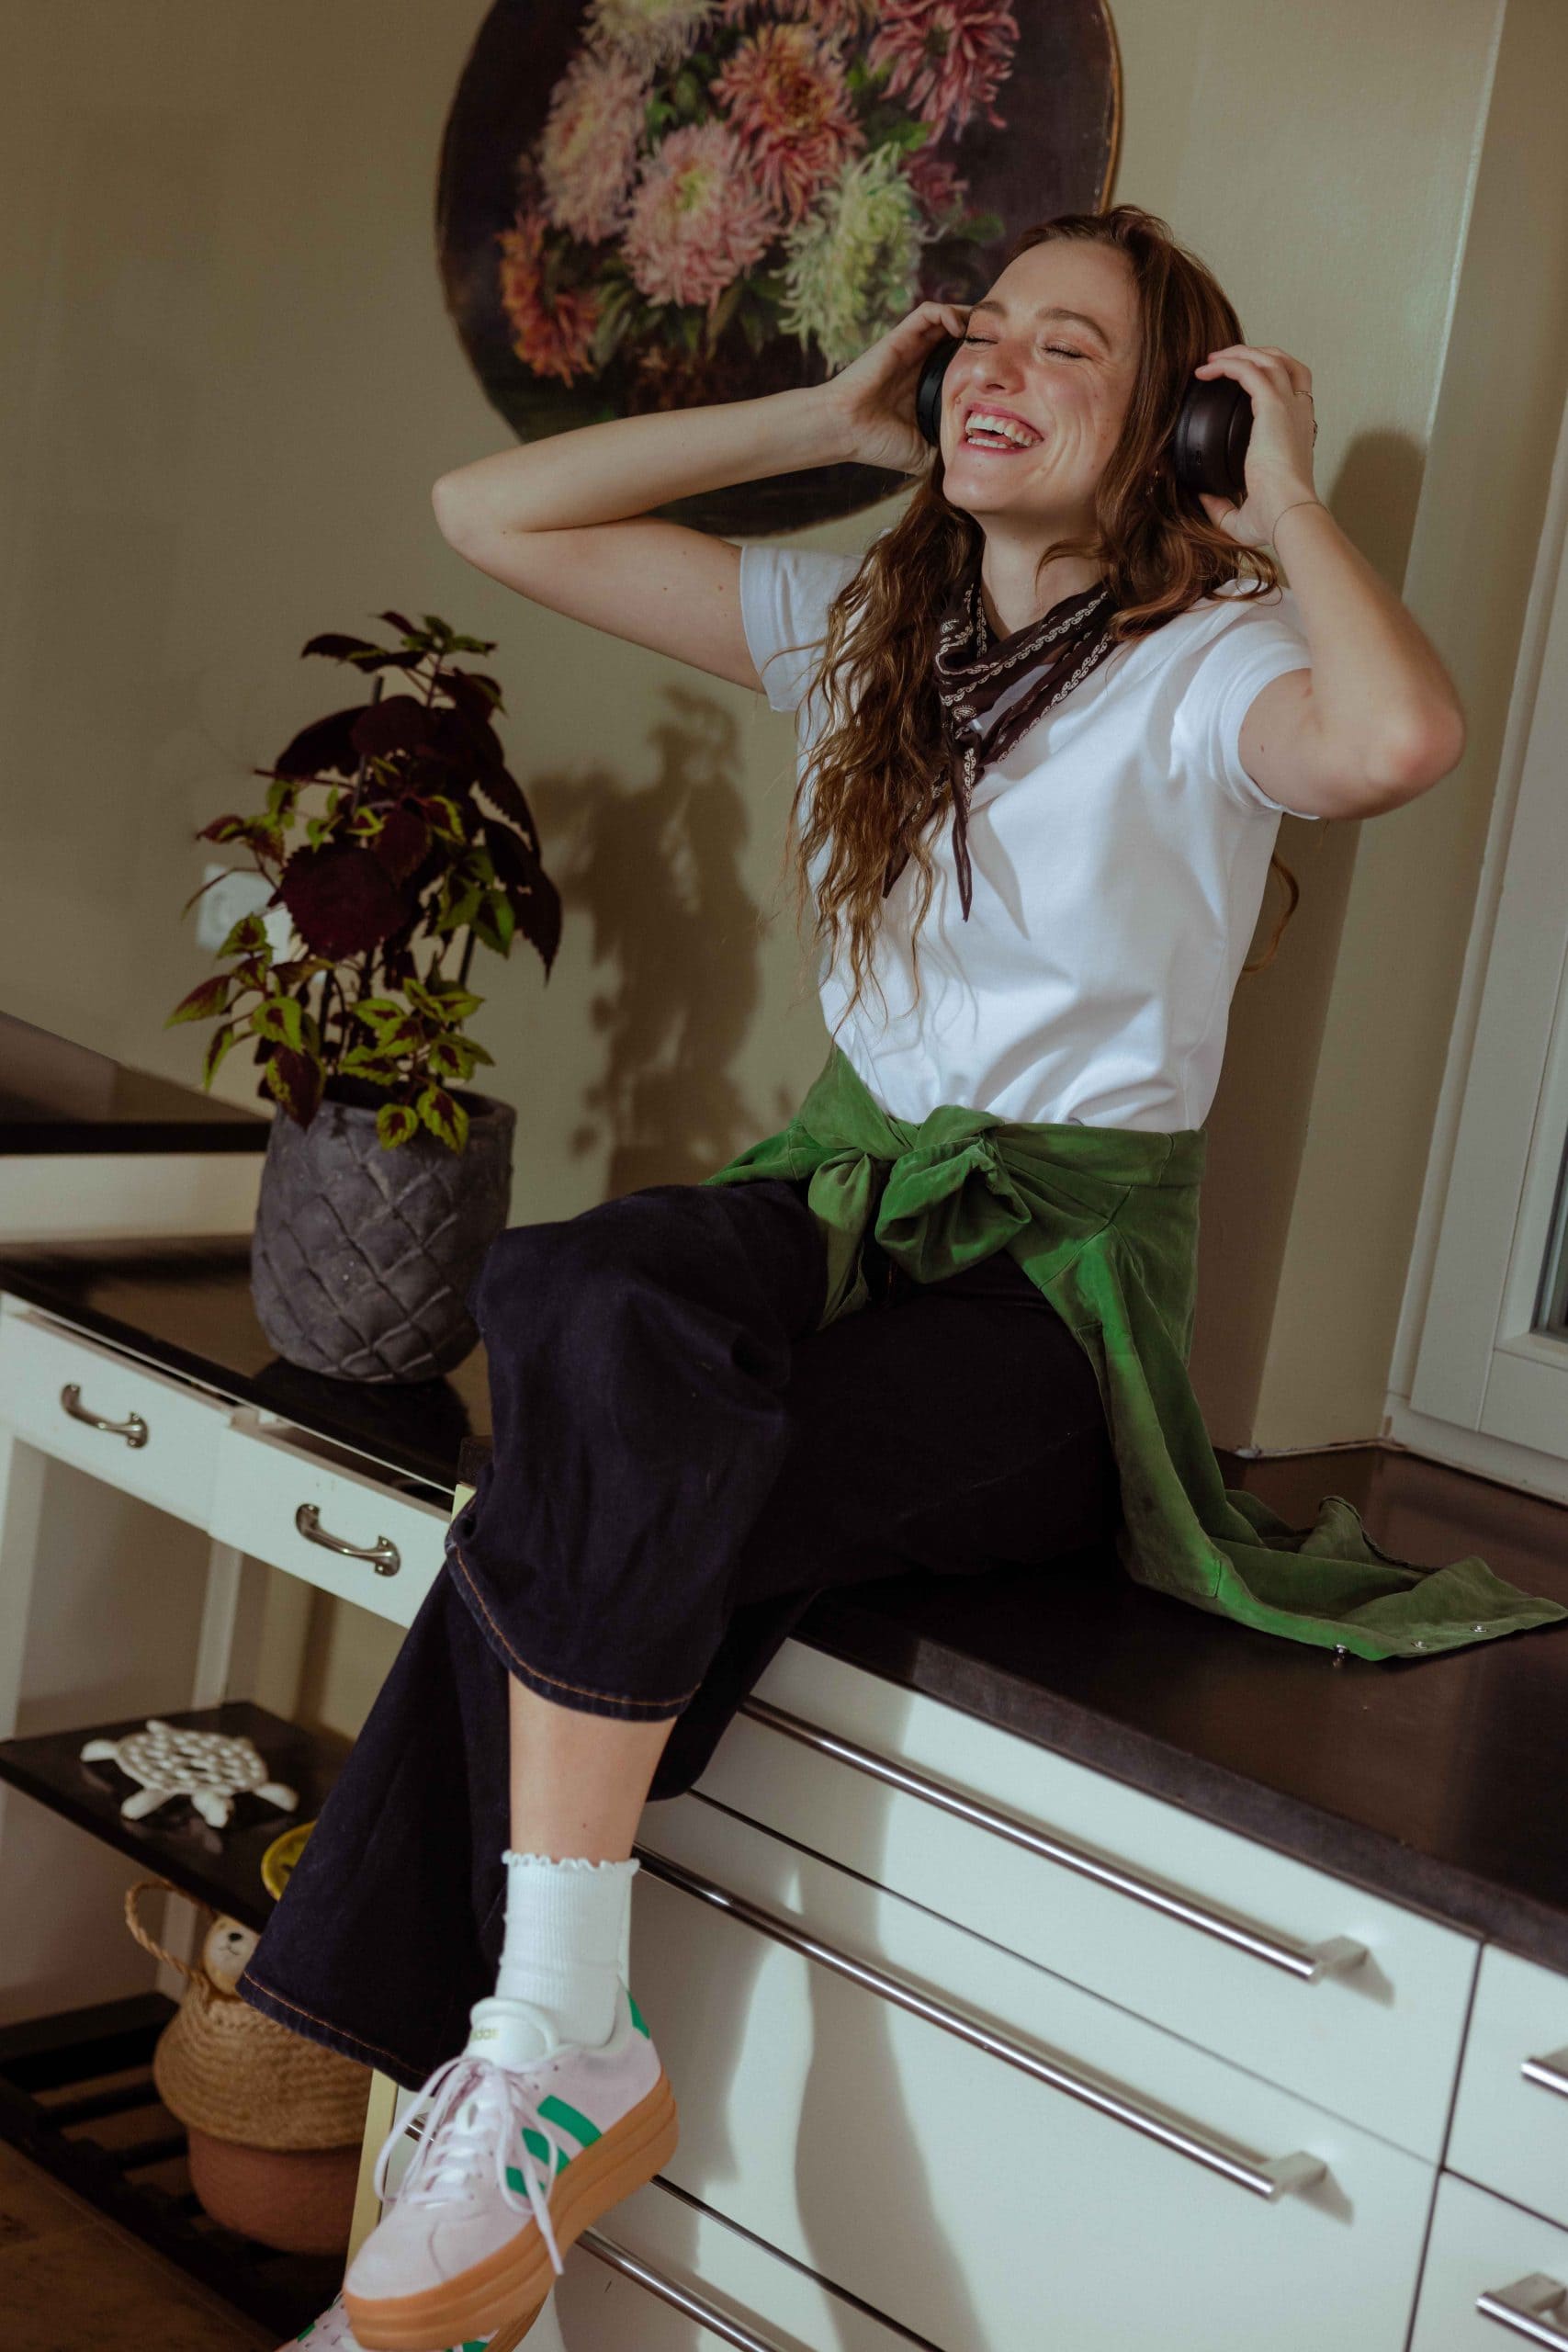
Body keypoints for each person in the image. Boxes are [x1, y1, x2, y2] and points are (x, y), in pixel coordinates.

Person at [247, 202, 1493, 2352]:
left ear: (1175, 426)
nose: (998, 362)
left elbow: (1392, 742)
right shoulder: (861, 631)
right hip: (834, 1201)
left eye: (1071, 350)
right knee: (572, 1298)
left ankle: (492, 2146)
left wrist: (1280, 500)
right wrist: (820, 419)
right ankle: (555, 2034)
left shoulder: (1211, 666)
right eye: (980, 332)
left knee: (574, 1498)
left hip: (1048, 1303)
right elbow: (488, 511)